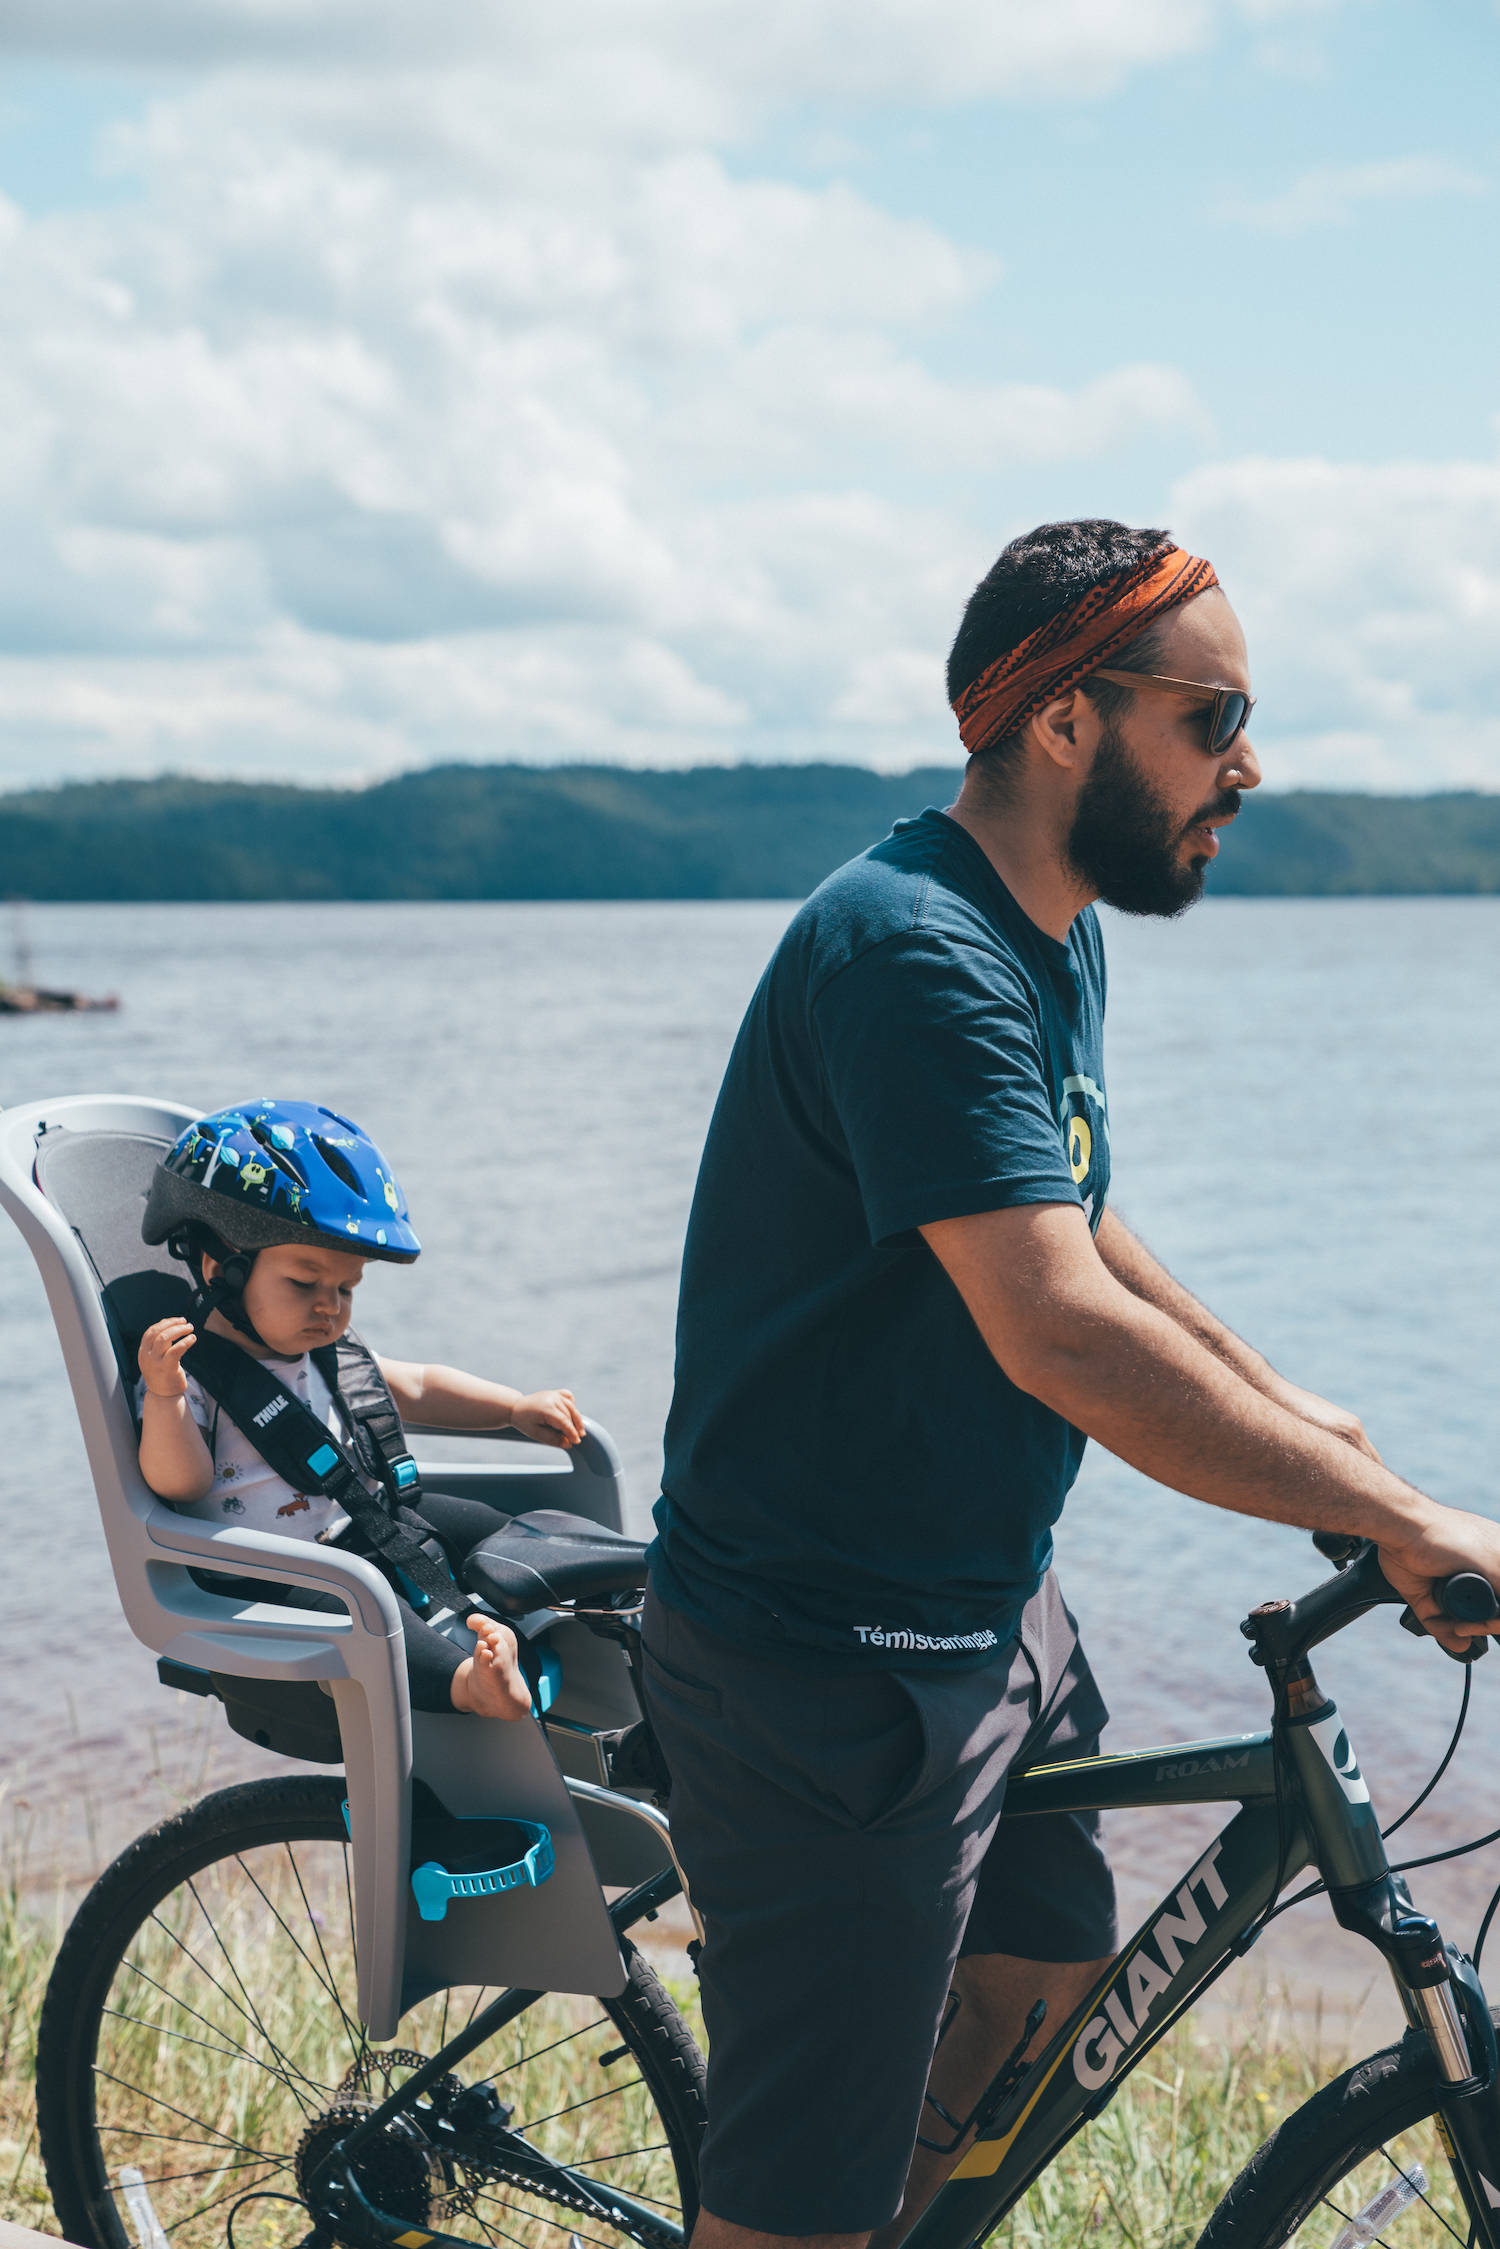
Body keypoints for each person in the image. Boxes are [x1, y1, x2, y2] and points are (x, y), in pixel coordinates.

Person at [641, 519, 1500, 2249]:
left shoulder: (1047, 930)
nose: (1244, 767)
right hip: (830, 1666)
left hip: (988, 1613)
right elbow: (1058, 1327)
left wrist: (1298, 1410)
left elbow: (1079, 1215)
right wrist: (1387, 1510)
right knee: (790, 2214)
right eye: (1215, 715)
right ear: (1064, 722)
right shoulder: (916, 950)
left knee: (1043, 1975)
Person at [135, 1099, 586, 1722]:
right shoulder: (192, 1375)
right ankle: (467, 1683)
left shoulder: (324, 1350)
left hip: (364, 1520)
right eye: (305, 1283)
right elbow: (179, 1481)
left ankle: (604, 1598)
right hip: (279, 1570)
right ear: (222, 1269)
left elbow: (420, 1386)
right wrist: (164, 1396)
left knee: (489, 1524)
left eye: (346, 1289)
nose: (330, 1308)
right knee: (374, 1613)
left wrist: (513, 1408)